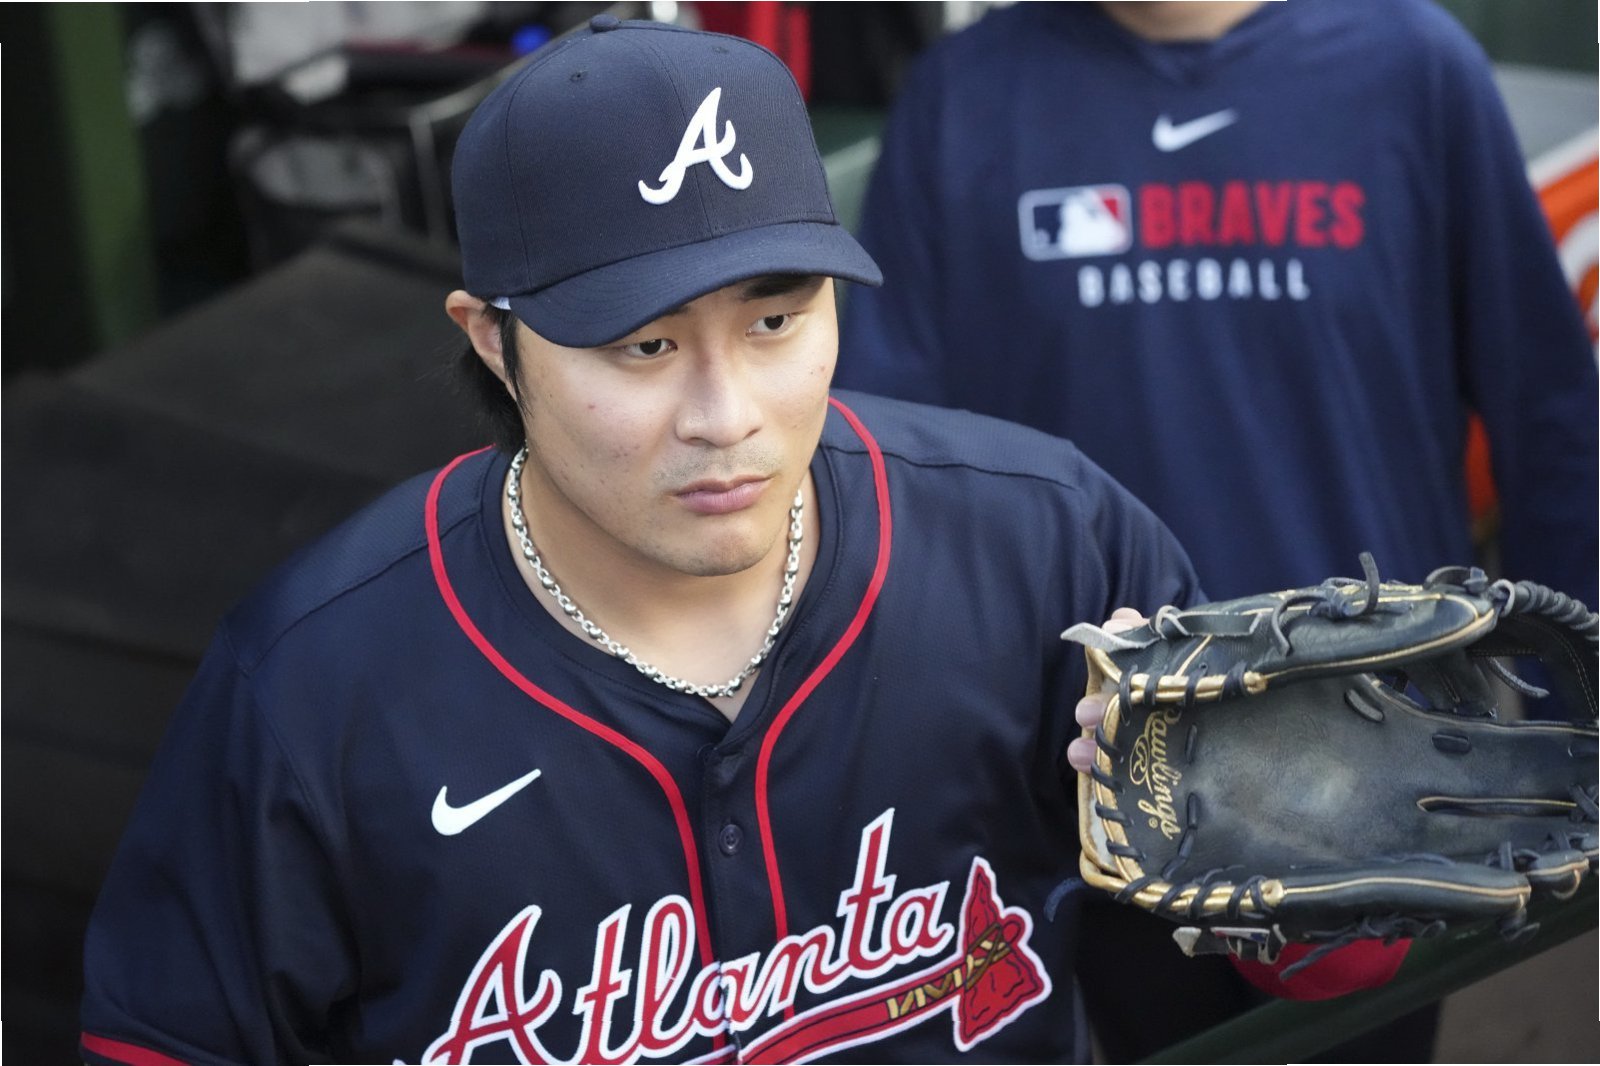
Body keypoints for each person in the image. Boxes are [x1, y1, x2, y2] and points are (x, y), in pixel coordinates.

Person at [80, 18, 1396, 1065]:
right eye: (644, 344)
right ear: (493, 340)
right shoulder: (314, 682)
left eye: (775, 320)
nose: (727, 415)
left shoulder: (1047, 541)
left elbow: (1342, 970)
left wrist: (1290, 845)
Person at [837, 0, 1600, 613]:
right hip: (1084, 724)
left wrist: (1569, 717)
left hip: (1394, 708)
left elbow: (1555, 431)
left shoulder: (1417, 69)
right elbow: (885, 478)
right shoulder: (960, 100)